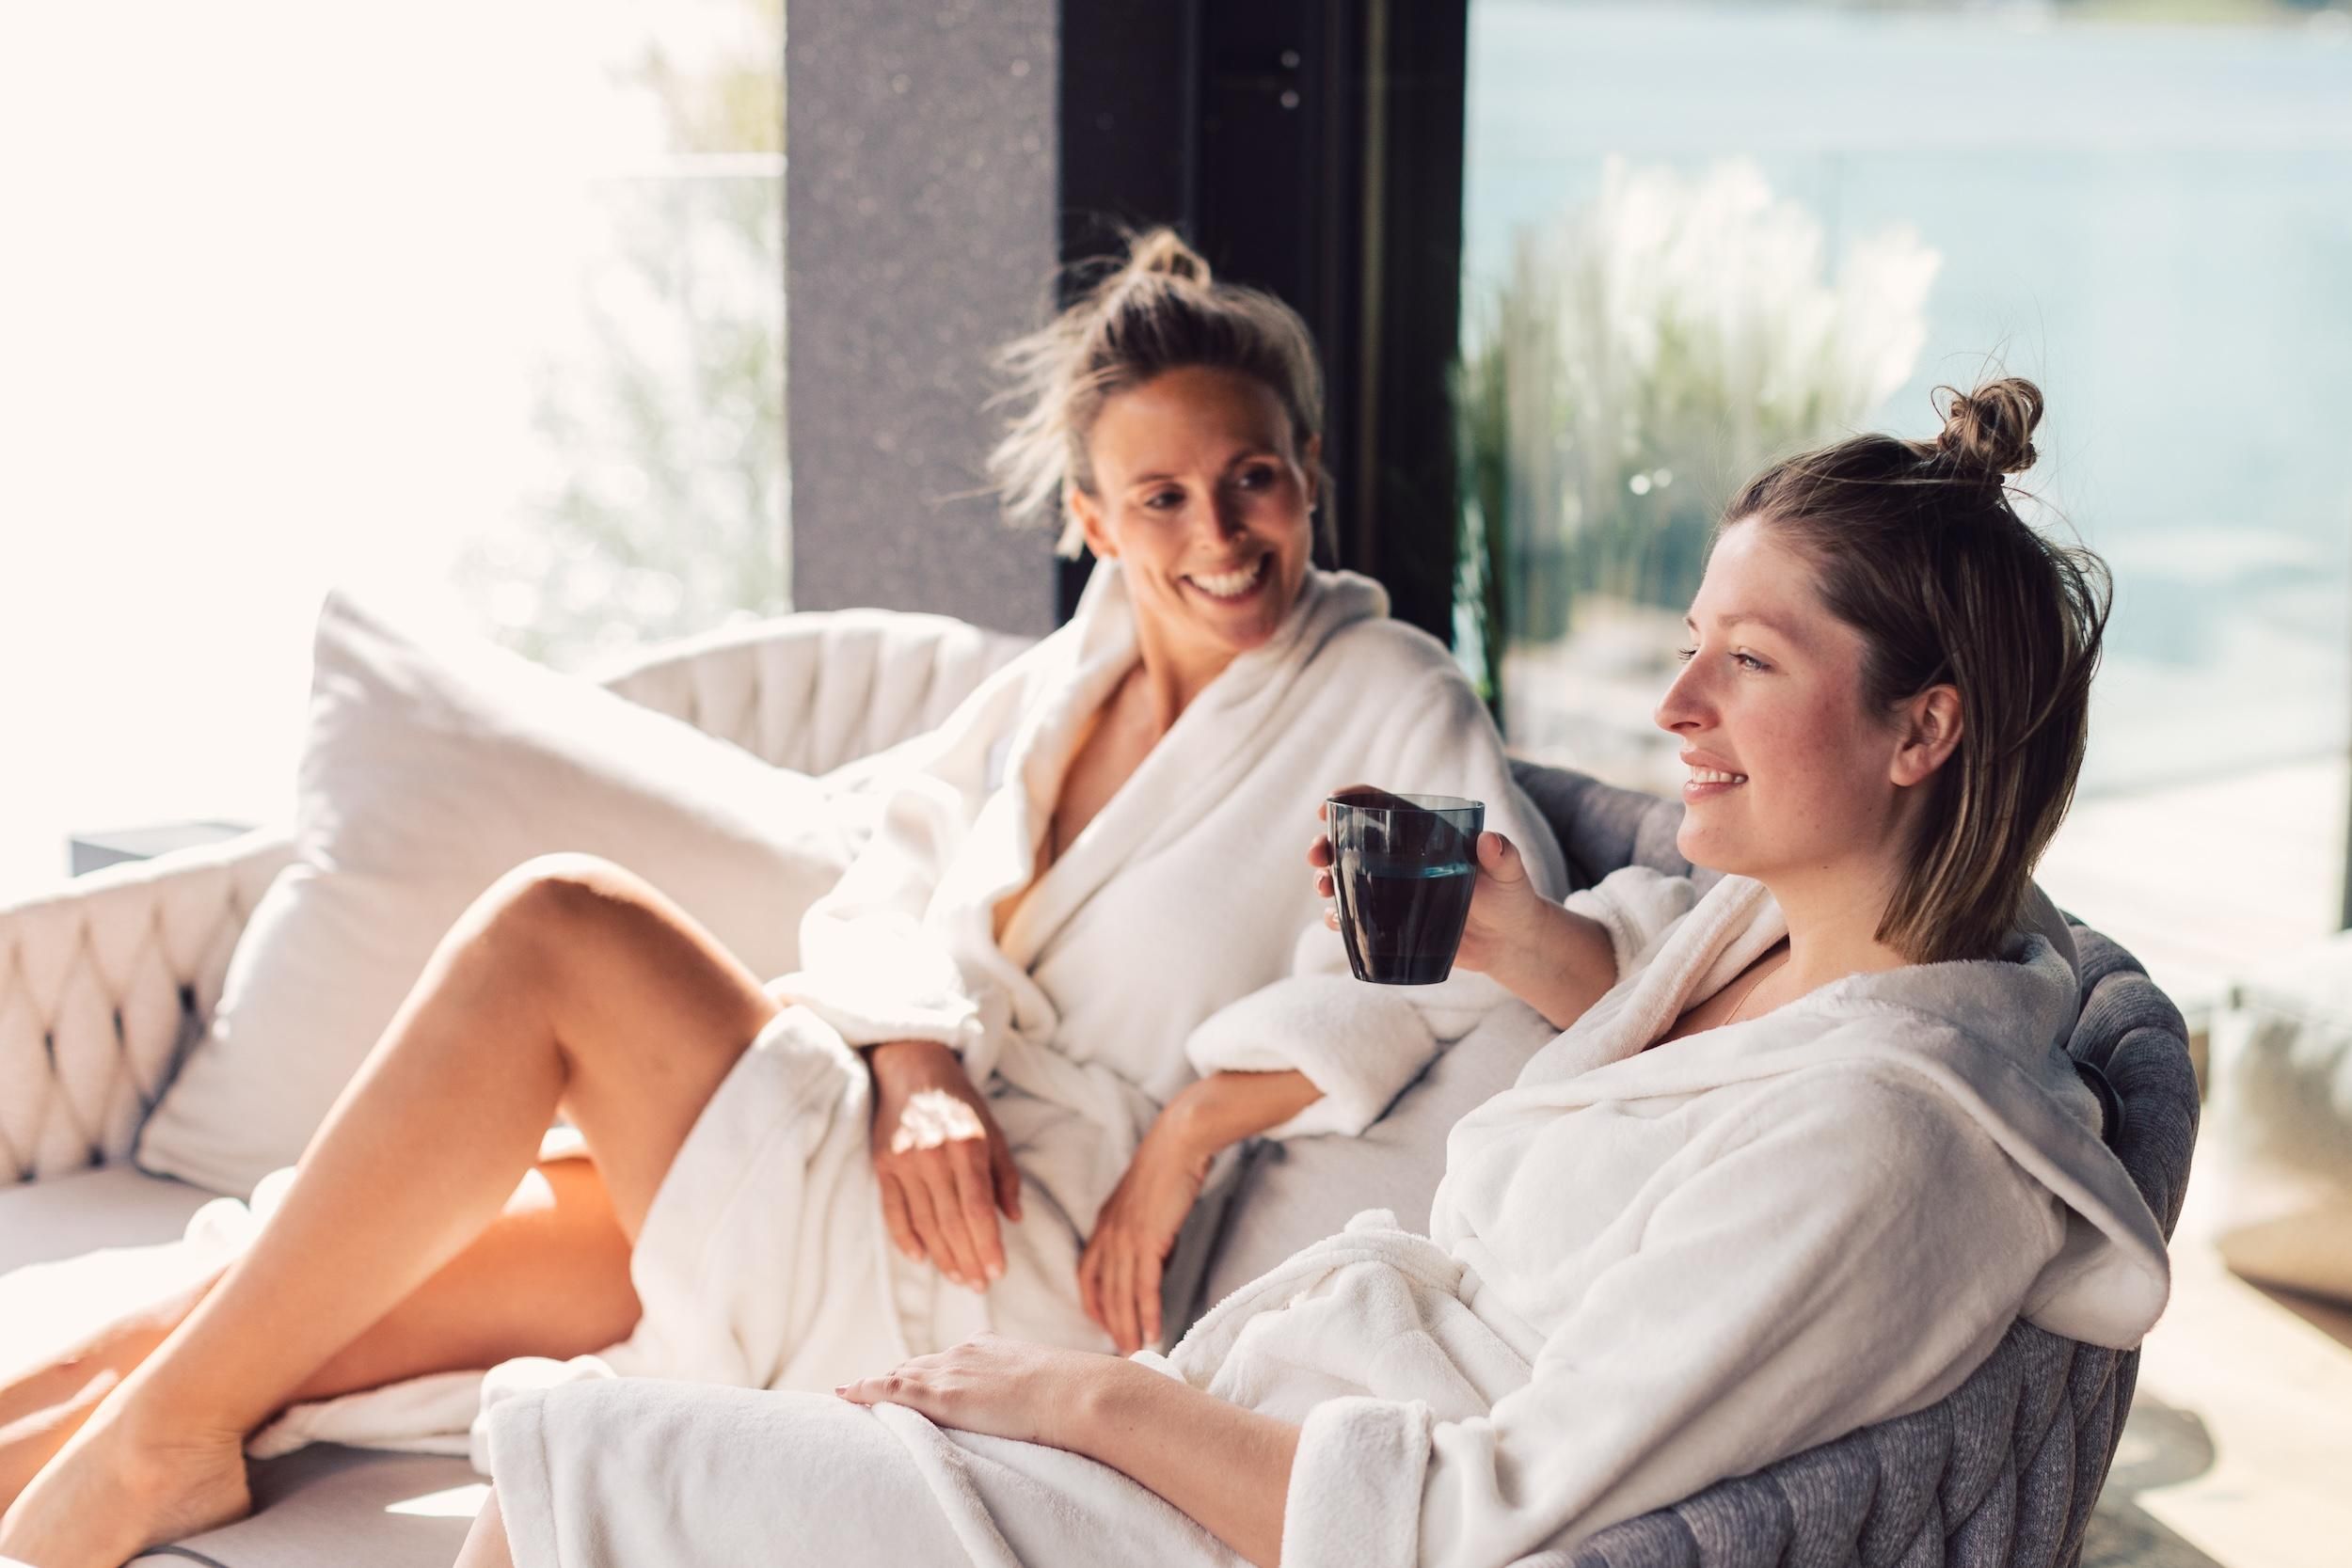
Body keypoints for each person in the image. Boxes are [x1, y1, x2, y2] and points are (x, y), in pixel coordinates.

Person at [0, 230, 1565, 1568]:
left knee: (560, 924)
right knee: (260, 1320)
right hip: (888, 1163)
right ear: (1092, 521)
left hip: (1022, 1250)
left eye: (1253, 480)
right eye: (1160, 498)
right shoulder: (1065, 678)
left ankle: (147, 1462)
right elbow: (896, 861)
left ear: (1309, 480)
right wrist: (916, 1057)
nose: (1217, 534)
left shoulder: (1381, 689)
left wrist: (1189, 1131)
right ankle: (124, 1466)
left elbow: (1462, 944)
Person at [427, 375, 2173, 1568]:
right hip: (1239, 1415)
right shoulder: (1756, 942)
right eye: (1691, 644)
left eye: (1749, 663)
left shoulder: (1894, 1152)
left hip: (1250, 1520)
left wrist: (1087, 1397)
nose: (1674, 710)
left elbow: (1481, 1521)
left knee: (569, 1463)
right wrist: (1511, 938)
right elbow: (1664, 1039)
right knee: (571, 1457)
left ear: (1920, 728)